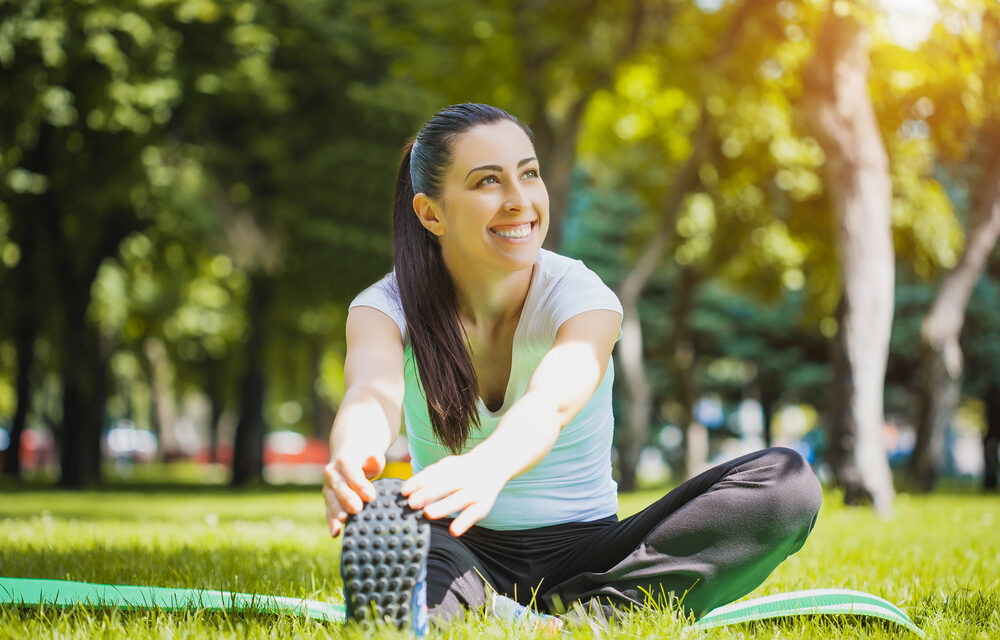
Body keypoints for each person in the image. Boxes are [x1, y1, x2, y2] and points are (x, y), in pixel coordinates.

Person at [322, 103, 822, 628]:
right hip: (457, 547)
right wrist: (353, 457)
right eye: (487, 182)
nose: (520, 201)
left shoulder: (581, 295)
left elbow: (550, 402)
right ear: (431, 213)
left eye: (529, 174)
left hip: (589, 551)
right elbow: (370, 393)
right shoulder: (385, 306)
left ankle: (587, 615)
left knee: (788, 484)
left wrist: (488, 464)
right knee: (411, 574)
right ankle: (504, 610)